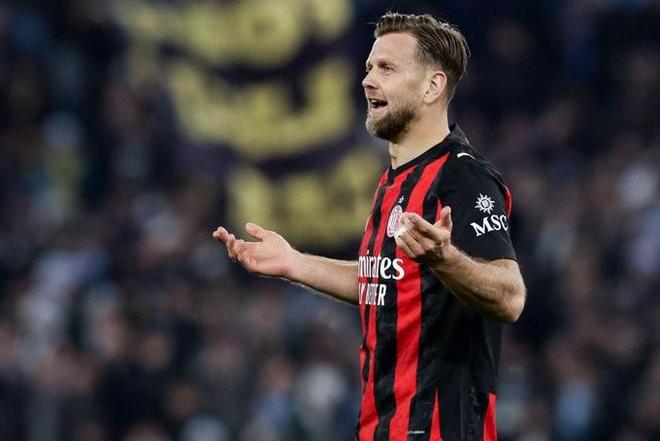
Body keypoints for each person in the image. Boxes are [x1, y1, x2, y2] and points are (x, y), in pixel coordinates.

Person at [213, 12, 526, 441]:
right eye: (369, 67)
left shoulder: (463, 177)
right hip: (380, 428)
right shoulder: (392, 182)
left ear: (432, 86)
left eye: (387, 68)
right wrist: (294, 264)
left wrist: (445, 258)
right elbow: (387, 284)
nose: (367, 80)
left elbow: (510, 297)